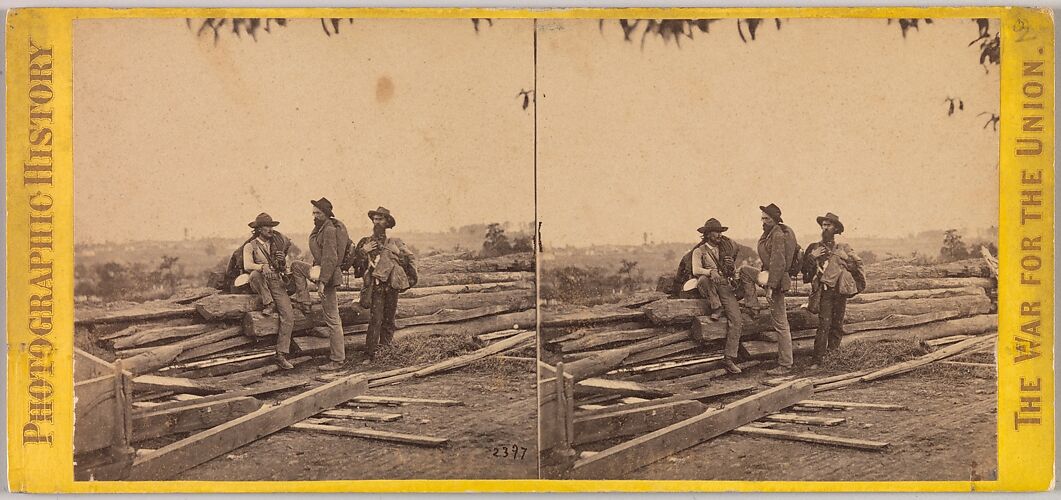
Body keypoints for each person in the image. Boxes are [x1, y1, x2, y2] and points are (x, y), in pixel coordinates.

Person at [291, 198, 352, 371]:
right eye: (313, 213)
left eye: (318, 213)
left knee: (333, 319)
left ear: (326, 214)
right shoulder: (321, 228)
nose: (315, 216)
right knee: (296, 265)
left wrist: (322, 283)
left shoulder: (329, 230)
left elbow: (330, 258)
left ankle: (337, 359)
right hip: (321, 271)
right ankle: (304, 302)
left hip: (329, 276)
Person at [741, 203, 799, 375]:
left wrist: (770, 288)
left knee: (781, 324)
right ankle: (753, 306)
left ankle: (785, 364)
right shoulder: (770, 233)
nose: (763, 221)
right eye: (762, 218)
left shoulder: (778, 235)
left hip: (777, 281)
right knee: (744, 271)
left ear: (774, 220)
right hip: (769, 275)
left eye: (766, 218)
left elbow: (778, 263)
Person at [352, 206, 417, 362]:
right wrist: (363, 252)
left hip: (391, 286)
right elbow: (356, 267)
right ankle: (369, 354)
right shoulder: (365, 242)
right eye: (375, 219)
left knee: (389, 319)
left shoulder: (396, 242)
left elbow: (408, 264)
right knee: (375, 320)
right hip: (375, 287)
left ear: (387, 222)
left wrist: (398, 254)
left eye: (380, 219)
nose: (377, 222)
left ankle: (385, 351)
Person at [802, 212, 863, 368]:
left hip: (839, 291)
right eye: (824, 225)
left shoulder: (843, 248)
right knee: (824, 324)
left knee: (837, 325)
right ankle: (817, 360)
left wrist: (846, 258)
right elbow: (805, 273)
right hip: (824, 291)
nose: (825, 227)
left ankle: (833, 357)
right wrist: (811, 257)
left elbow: (856, 268)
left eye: (829, 225)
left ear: (836, 229)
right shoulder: (814, 247)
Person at [689, 218, 743, 373]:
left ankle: (729, 358)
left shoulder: (725, 249)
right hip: (709, 285)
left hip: (724, 285)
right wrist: (710, 271)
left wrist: (730, 268)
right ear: (707, 234)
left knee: (737, 319)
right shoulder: (699, 251)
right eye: (716, 232)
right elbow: (695, 269)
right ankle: (716, 306)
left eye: (720, 232)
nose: (719, 235)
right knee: (703, 279)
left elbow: (730, 271)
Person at [243, 212, 296, 370]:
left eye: (272, 226)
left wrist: (282, 262)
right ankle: (268, 302)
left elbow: (283, 268)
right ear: (259, 229)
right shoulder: (250, 246)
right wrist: (261, 266)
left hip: (276, 281)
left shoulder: (276, 244)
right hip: (260, 280)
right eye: (267, 227)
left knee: (288, 315)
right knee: (254, 274)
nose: (270, 229)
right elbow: (247, 265)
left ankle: (281, 354)